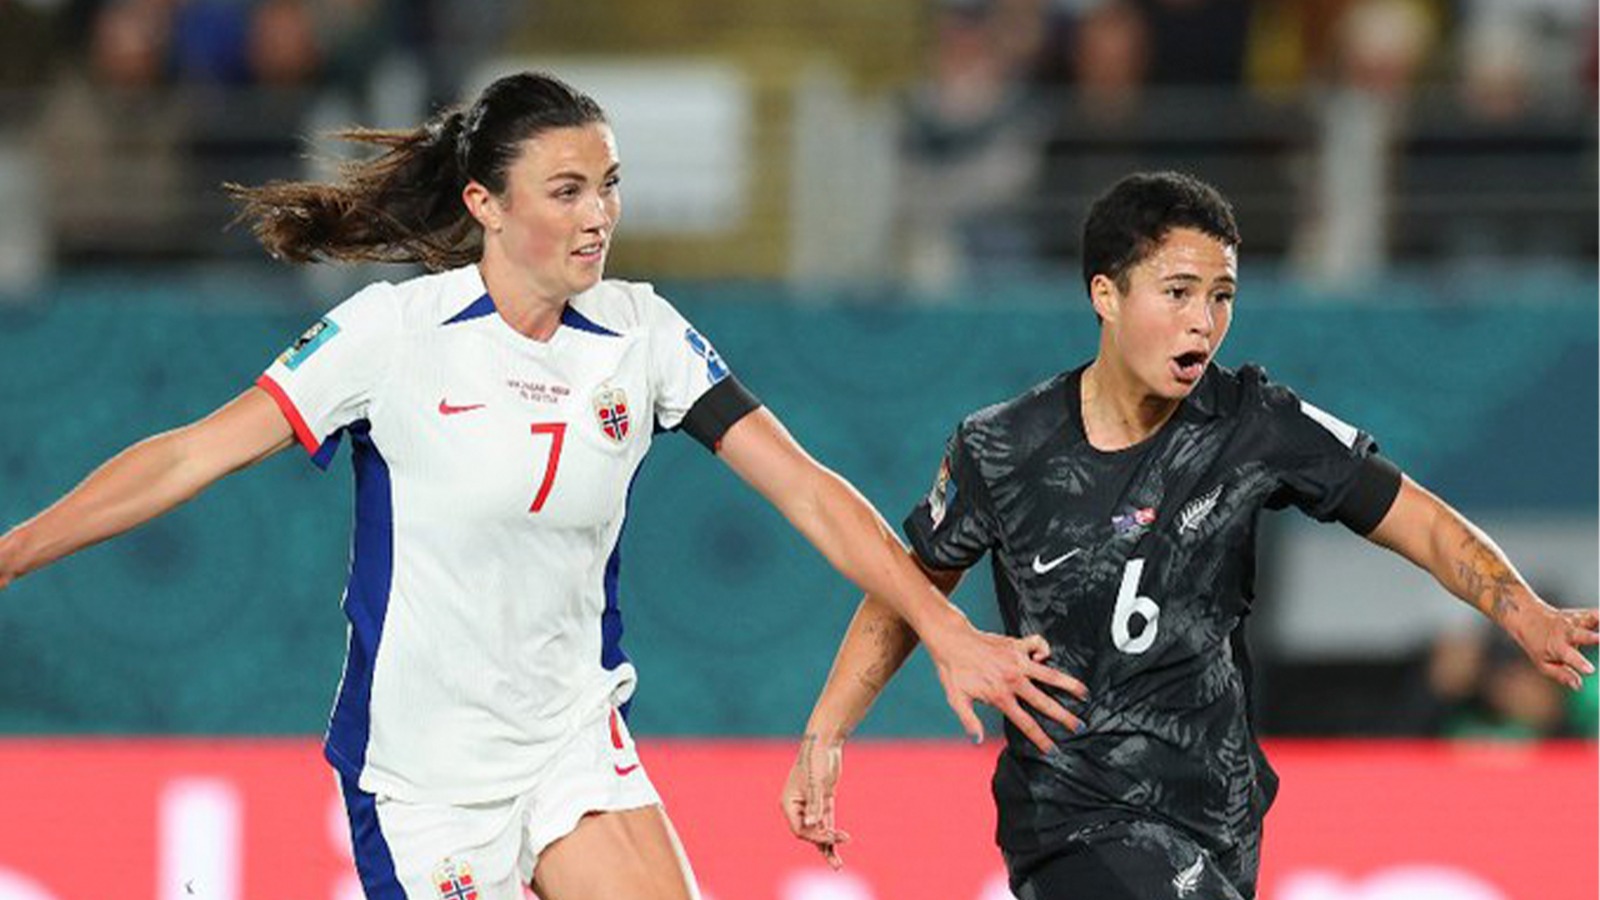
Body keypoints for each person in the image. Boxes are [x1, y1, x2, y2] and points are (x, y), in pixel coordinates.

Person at [0, 72, 1084, 899]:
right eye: (566, 191)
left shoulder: (642, 333)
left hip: (572, 743)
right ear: (484, 202)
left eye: (608, 186)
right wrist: (11, 552)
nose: (597, 215)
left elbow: (807, 490)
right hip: (424, 778)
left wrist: (945, 628)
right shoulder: (392, 333)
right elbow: (189, 454)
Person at [780, 171, 1600, 899]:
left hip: (1218, 816)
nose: (1203, 323)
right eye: (1177, 293)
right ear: (1106, 294)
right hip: (1073, 817)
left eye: (1222, 296)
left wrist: (1519, 608)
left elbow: (1413, 515)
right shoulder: (1003, 449)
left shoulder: (1254, 423)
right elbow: (909, 589)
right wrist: (826, 731)